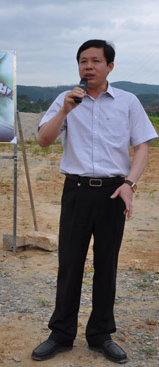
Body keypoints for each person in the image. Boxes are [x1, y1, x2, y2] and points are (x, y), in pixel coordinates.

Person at [31, 40, 157, 364]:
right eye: (83, 61)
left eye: (96, 61)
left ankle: (101, 334)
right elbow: (44, 141)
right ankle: (61, 334)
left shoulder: (127, 102)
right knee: (70, 264)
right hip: (76, 190)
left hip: (114, 192)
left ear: (110, 67)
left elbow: (142, 146)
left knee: (107, 266)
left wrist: (130, 183)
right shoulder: (66, 99)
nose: (88, 66)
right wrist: (65, 110)